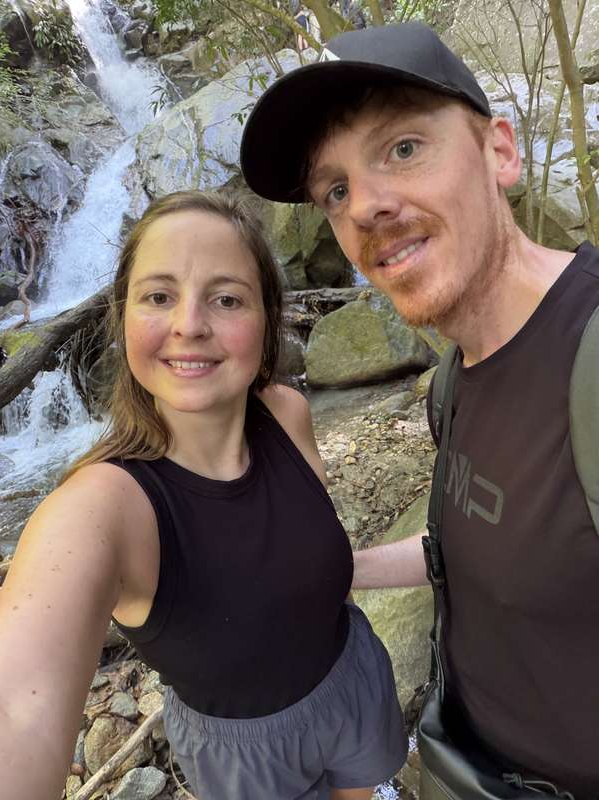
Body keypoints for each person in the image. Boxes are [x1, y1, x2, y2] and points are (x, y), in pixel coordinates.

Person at [239, 21, 599, 800]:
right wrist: (342, 572)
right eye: (335, 191)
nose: (365, 207)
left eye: (403, 148)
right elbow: (489, 538)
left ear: (500, 152)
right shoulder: (454, 379)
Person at [0, 190, 407, 800]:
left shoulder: (288, 412)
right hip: (245, 753)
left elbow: (305, 553)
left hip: (353, 678)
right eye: (159, 296)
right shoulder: (103, 506)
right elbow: (17, 711)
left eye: (227, 299)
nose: (189, 325)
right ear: (123, 317)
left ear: (267, 319)